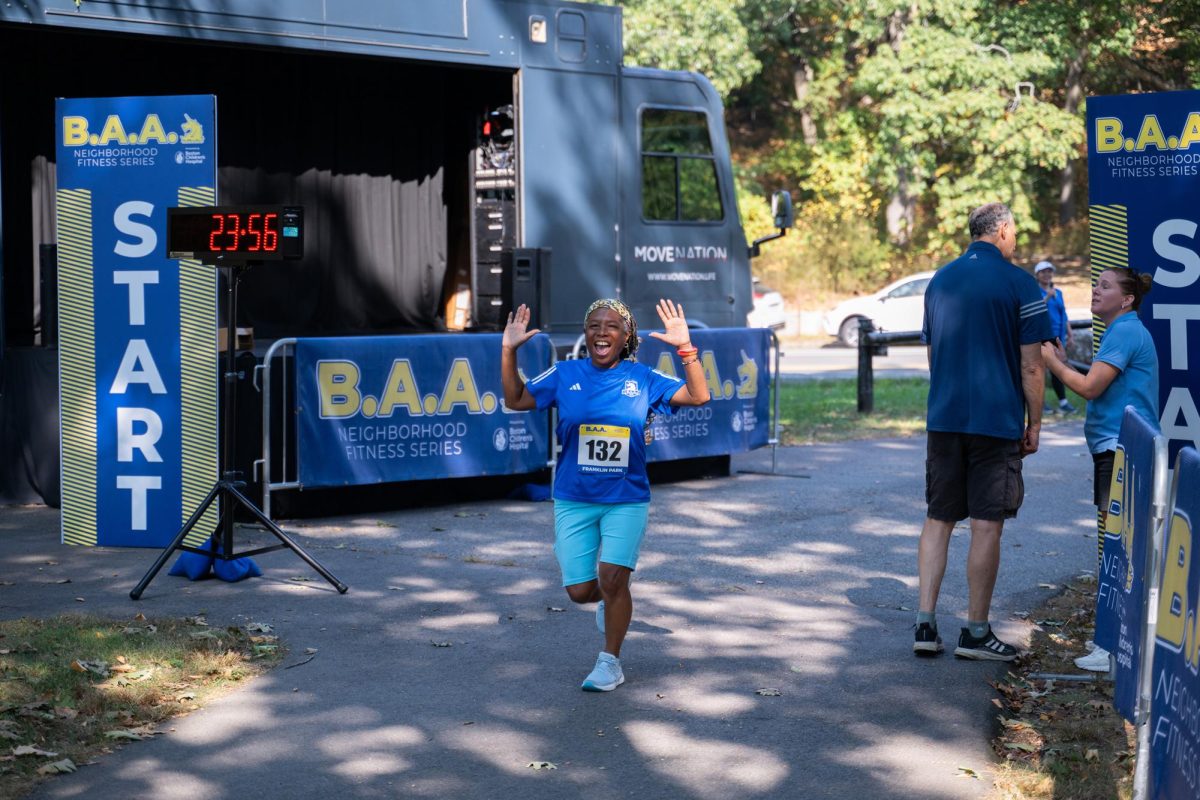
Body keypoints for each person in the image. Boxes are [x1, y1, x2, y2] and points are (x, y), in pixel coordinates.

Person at [500, 297, 710, 691]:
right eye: (593, 325)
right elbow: (516, 399)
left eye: (611, 326)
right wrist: (508, 351)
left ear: (626, 335)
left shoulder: (643, 379)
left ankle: (610, 661)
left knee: (613, 578)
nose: (601, 332)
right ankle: (609, 599)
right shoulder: (565, 373)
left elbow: (699, 397)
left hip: (626, 498)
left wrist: (686, 348)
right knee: (581, 591)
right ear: (586, 333)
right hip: (574, 496)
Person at [914, 202, 1053, 661]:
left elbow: (934, 357)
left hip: (945, 417)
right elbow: (1032, 366)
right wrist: (1035, 423)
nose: (1015, 240)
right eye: (1014, 233)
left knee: (939, 518)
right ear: (1003, 231)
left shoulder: (939, 280)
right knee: (986, 525)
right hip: (995, 421)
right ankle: (975, 633)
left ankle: (925, 623)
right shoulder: (1020, 283)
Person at [1041, 267, 1158, 672]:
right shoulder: (1121, 331)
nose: (1095, 290)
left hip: (1121, 451)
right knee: (1119, 546)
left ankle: (1112, 649)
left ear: (1126, 299)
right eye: (1095, 284)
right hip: (1115, 450)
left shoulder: (1125, 332)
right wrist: (1062, 359)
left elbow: (1091, 388)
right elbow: (1097, 379)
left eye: (1105, 286)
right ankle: (1115, 645)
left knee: (1119, 550)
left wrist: (1051, 364)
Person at [1034, 260, 1077, 415]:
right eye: (1043, 272)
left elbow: (1063, 314)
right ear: (1037, 275)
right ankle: (1040, 403)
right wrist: (1047, 298)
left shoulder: (1058, 292)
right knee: (1040, 370)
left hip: (1058, 337)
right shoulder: (1034, 292)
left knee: (1058, 370)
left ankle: (1063, 403)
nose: (1047, 275)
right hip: (1042, 336)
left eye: (1049, 272)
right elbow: (1035, 310)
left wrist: (1070, 335)